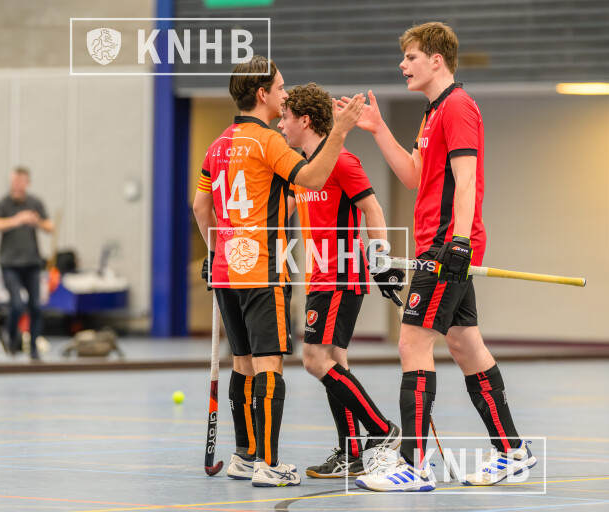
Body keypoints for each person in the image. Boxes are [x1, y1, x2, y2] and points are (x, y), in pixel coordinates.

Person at [349, 22, 537, 491]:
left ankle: (412, 465)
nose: (402, 65)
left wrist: (459, 243)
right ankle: (513, 450)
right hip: (440, 245)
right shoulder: (432, 113)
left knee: (412, 344)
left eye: (410, 57)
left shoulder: (457, 106)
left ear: (436, 60)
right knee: (464, 345)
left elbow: (467, 178)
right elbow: (414, 175)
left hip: (446, 246)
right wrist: (377, 129)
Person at [192, 56, 366, 487]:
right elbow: (312, 178)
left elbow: (200, 207)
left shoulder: (217, 145)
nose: (284, 94)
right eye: (280, 88)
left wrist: (214, 250)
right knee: (269, 364)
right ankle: (268, 464)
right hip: (262, 271)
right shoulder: (268, 141)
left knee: (242, 364)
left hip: (226, 269)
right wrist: (340, 131)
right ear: (261, 94)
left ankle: (244, 456)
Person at [276, 83, 405, 479]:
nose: (280, 125)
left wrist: (381, 261)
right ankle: (350, 452)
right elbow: (278, 213)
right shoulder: (302, 170)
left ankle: (382, 430)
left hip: (340, 276)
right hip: (319, 277)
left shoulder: (344, 162)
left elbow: (373, 209)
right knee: (335, 362)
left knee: (314, 360)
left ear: (305, 120)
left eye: (285, 118)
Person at [0, 167, 53, 360]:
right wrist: (16, 220)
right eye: (14, 181)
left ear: (27, 183)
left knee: (35, 306)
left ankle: (33, 348)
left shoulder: (35, 203)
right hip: (10, 264)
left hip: (32, 263)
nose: (17, 185)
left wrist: (37, 222)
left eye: (20, 181)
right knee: (16, 304)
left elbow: (50, 226)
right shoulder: (3, 204)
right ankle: (12, 339)